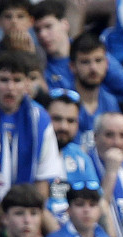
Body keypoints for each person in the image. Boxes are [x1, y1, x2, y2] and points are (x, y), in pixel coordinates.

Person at [32, 0, 123, 115]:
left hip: (108, 118)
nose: (43, 35)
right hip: (67, 126)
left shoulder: (92, 51)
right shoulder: (40, 64)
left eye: (48, 26)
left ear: (65, 24)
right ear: (72, 66)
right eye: (38, 30)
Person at [0, 50, 64, 203]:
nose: (10, 88)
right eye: (4, 80)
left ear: (26, 84)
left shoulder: (40, 120)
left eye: (17, 80)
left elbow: (43, 179)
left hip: (22, 210)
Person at [44, 87, 100, 226]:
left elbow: (98, 201)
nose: (64, 127)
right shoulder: (31, 155)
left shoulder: (79, 156)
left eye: (71, 121)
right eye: (56, 119)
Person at [69, 32, 123, 150]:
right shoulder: (65, 102)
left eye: (98, 60)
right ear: (72, 67)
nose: (93, 68)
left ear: (107, 64)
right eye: (85, 62)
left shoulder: (110, 102)